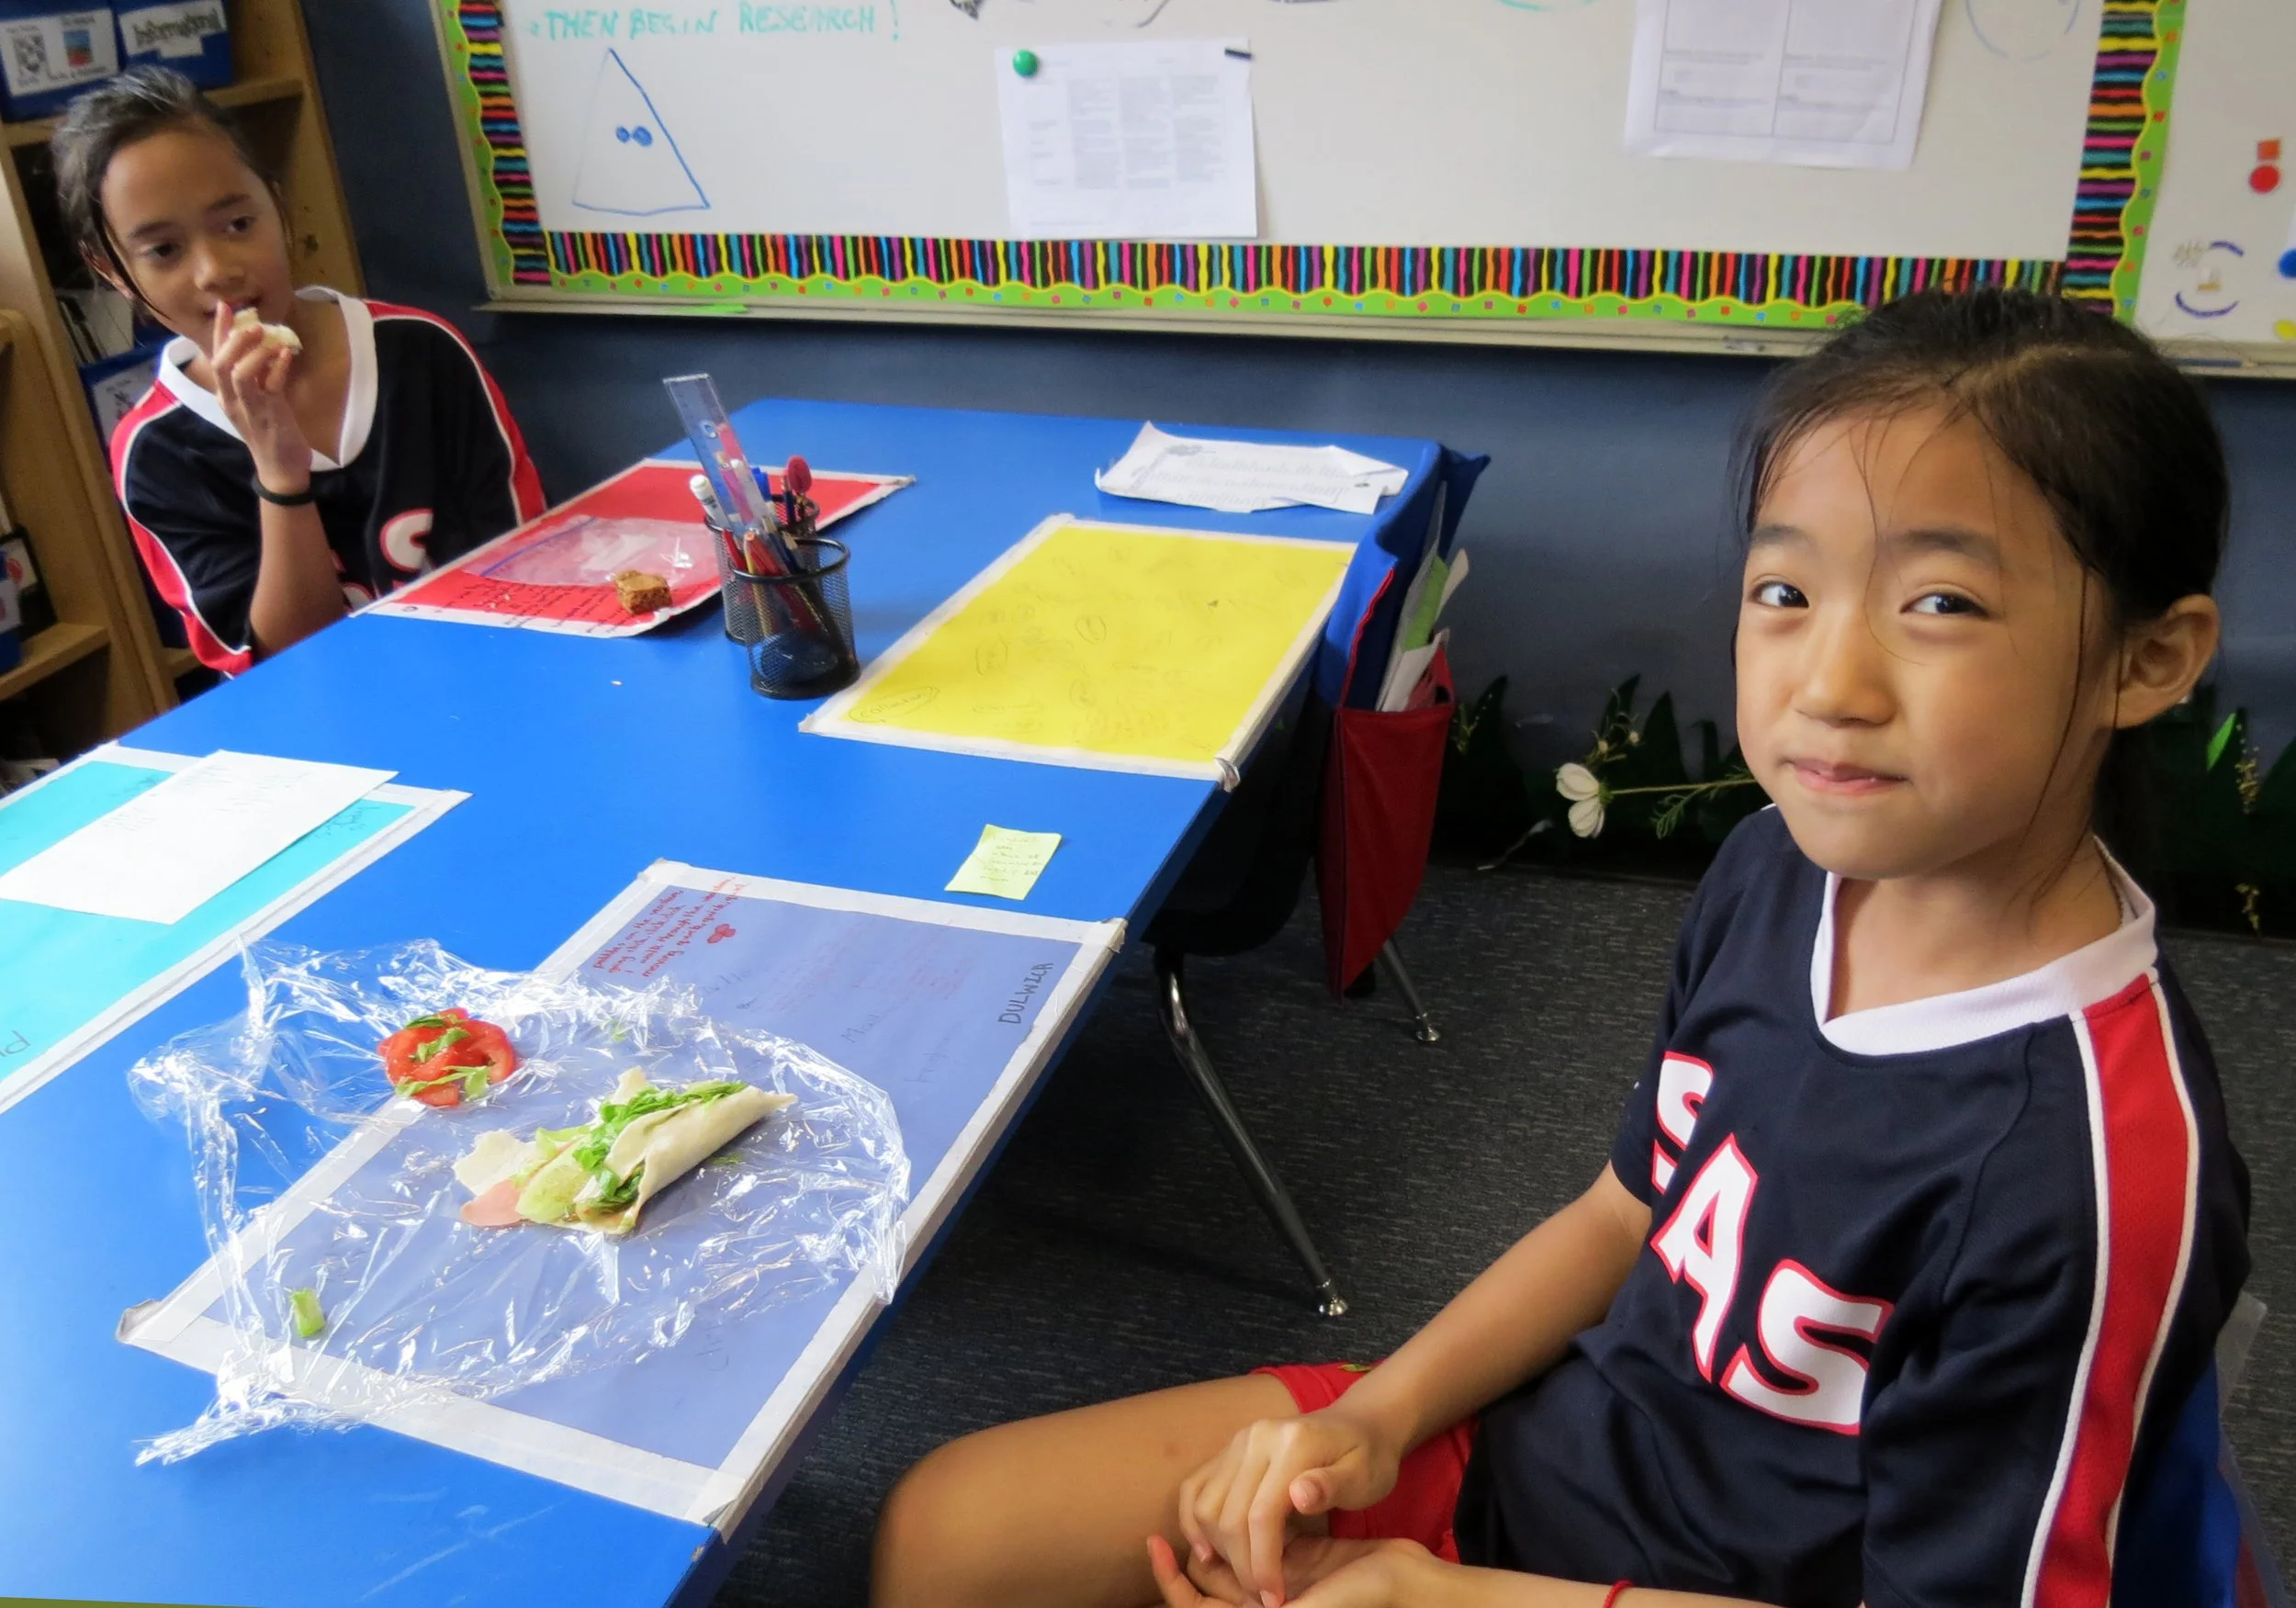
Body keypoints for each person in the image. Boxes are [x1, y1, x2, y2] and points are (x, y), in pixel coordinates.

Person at [870, 287, 2252, 1608]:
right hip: (1544, 1459)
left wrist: (1446, 1595)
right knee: (954, 1527)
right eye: (1784, 590)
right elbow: (1623, 1208)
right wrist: (1377, 1415)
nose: (1829, 685)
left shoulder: (2090, 1171)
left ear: (2148, 659)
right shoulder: (1779, 863)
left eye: (1940, 603)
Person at [58, 66, 544, 673]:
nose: (216, 270)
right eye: (164, 250)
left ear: (279, 206)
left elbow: (525, 568)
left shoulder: (420, 352)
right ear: (112, 272)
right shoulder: (157, 452)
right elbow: (290, 669)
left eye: (238, 224)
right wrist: (280, 473)